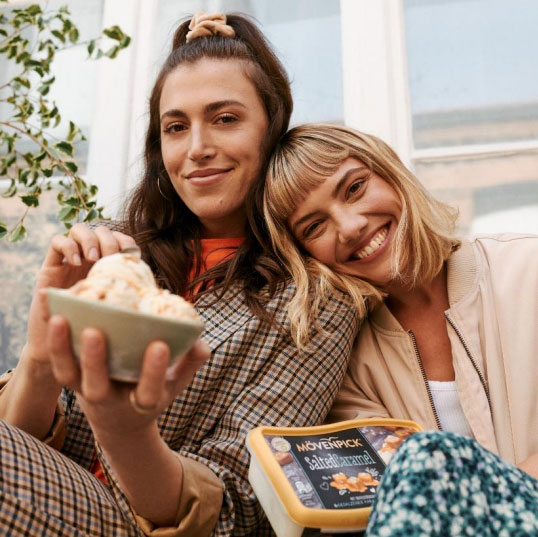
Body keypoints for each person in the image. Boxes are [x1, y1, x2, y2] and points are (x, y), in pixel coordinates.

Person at [0, 17, 358, 537]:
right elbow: (15, 447)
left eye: (226, 118)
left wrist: (126, 432)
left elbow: (245, 501)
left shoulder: (313, 300)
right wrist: (39, 357)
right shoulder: (113, 252)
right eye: (175, 127)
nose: (196, 148)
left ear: (272, 130)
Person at [263, 123, 538, 535]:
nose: (351, 225)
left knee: (425, 456)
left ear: (390, 173)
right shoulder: (344, 364)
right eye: (314, 227)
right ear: (304, 257)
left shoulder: (527, 268)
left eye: (354, 188)